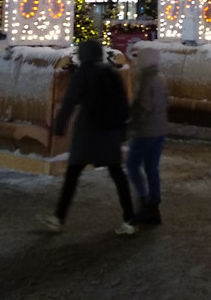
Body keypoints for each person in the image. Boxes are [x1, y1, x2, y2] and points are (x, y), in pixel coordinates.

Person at [38, 38, 137, 236]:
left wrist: (59, 127)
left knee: (73, 175)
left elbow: (70, 101)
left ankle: (58, 217)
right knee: (118, 175)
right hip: (109, 132)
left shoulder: (84, 73)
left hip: (89, 132)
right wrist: (122, 130)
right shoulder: (112, 72)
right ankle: (130, 219)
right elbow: (124, 103)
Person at [126, 45, 169, 225]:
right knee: (152, 168)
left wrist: (132, 122)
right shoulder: (160, 77)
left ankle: (144, 201)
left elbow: (143, 105)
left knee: (132, 165)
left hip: (146, 130)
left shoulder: (146, 78)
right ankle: (154, 205)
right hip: (160, 130)